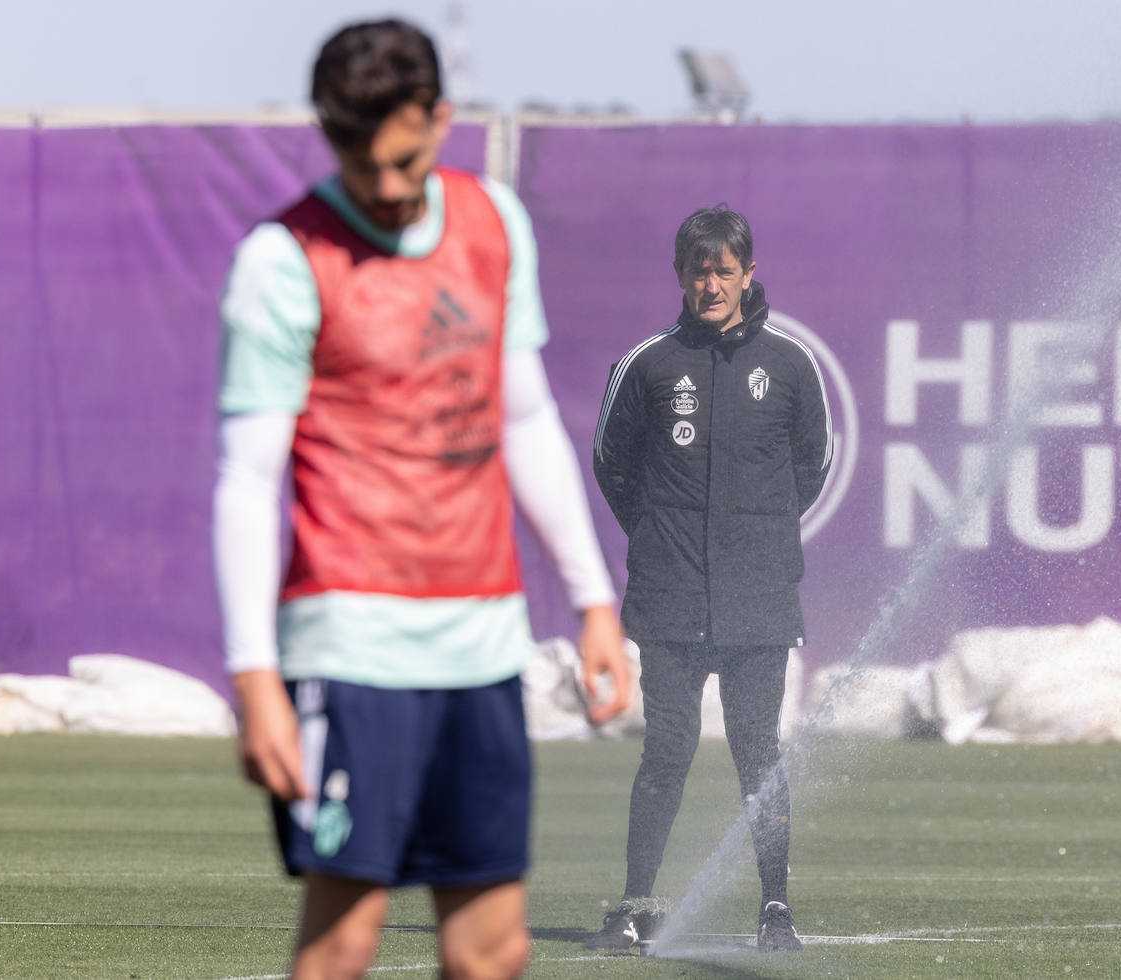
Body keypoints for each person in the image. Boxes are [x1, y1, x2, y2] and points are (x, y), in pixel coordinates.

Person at [211, 19, 632, 980]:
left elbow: (524, 420)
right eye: (363, 165)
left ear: (442, 119)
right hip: (350, 647)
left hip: (483, 645)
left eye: (406, 159)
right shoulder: (281, 261)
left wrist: (593, 599)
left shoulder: (494, 223)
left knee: (493, 950)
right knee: (344, 943)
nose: (389, 187)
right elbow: (247, 477)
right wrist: (253, 677)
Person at [589, 206, 832, 952]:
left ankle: (776, 909)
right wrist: (660, 538)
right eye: (700, 269)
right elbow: (612, 465)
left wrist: (755, 538)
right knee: (667, 748)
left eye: (726, 270)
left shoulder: (790, 364)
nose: (712, 284)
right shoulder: (648, 363)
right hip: (671, 598)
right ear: (681, 274)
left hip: (759, 596)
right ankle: (635, 906)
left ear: (749, 274)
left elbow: (812, 467)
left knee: (758, 746)